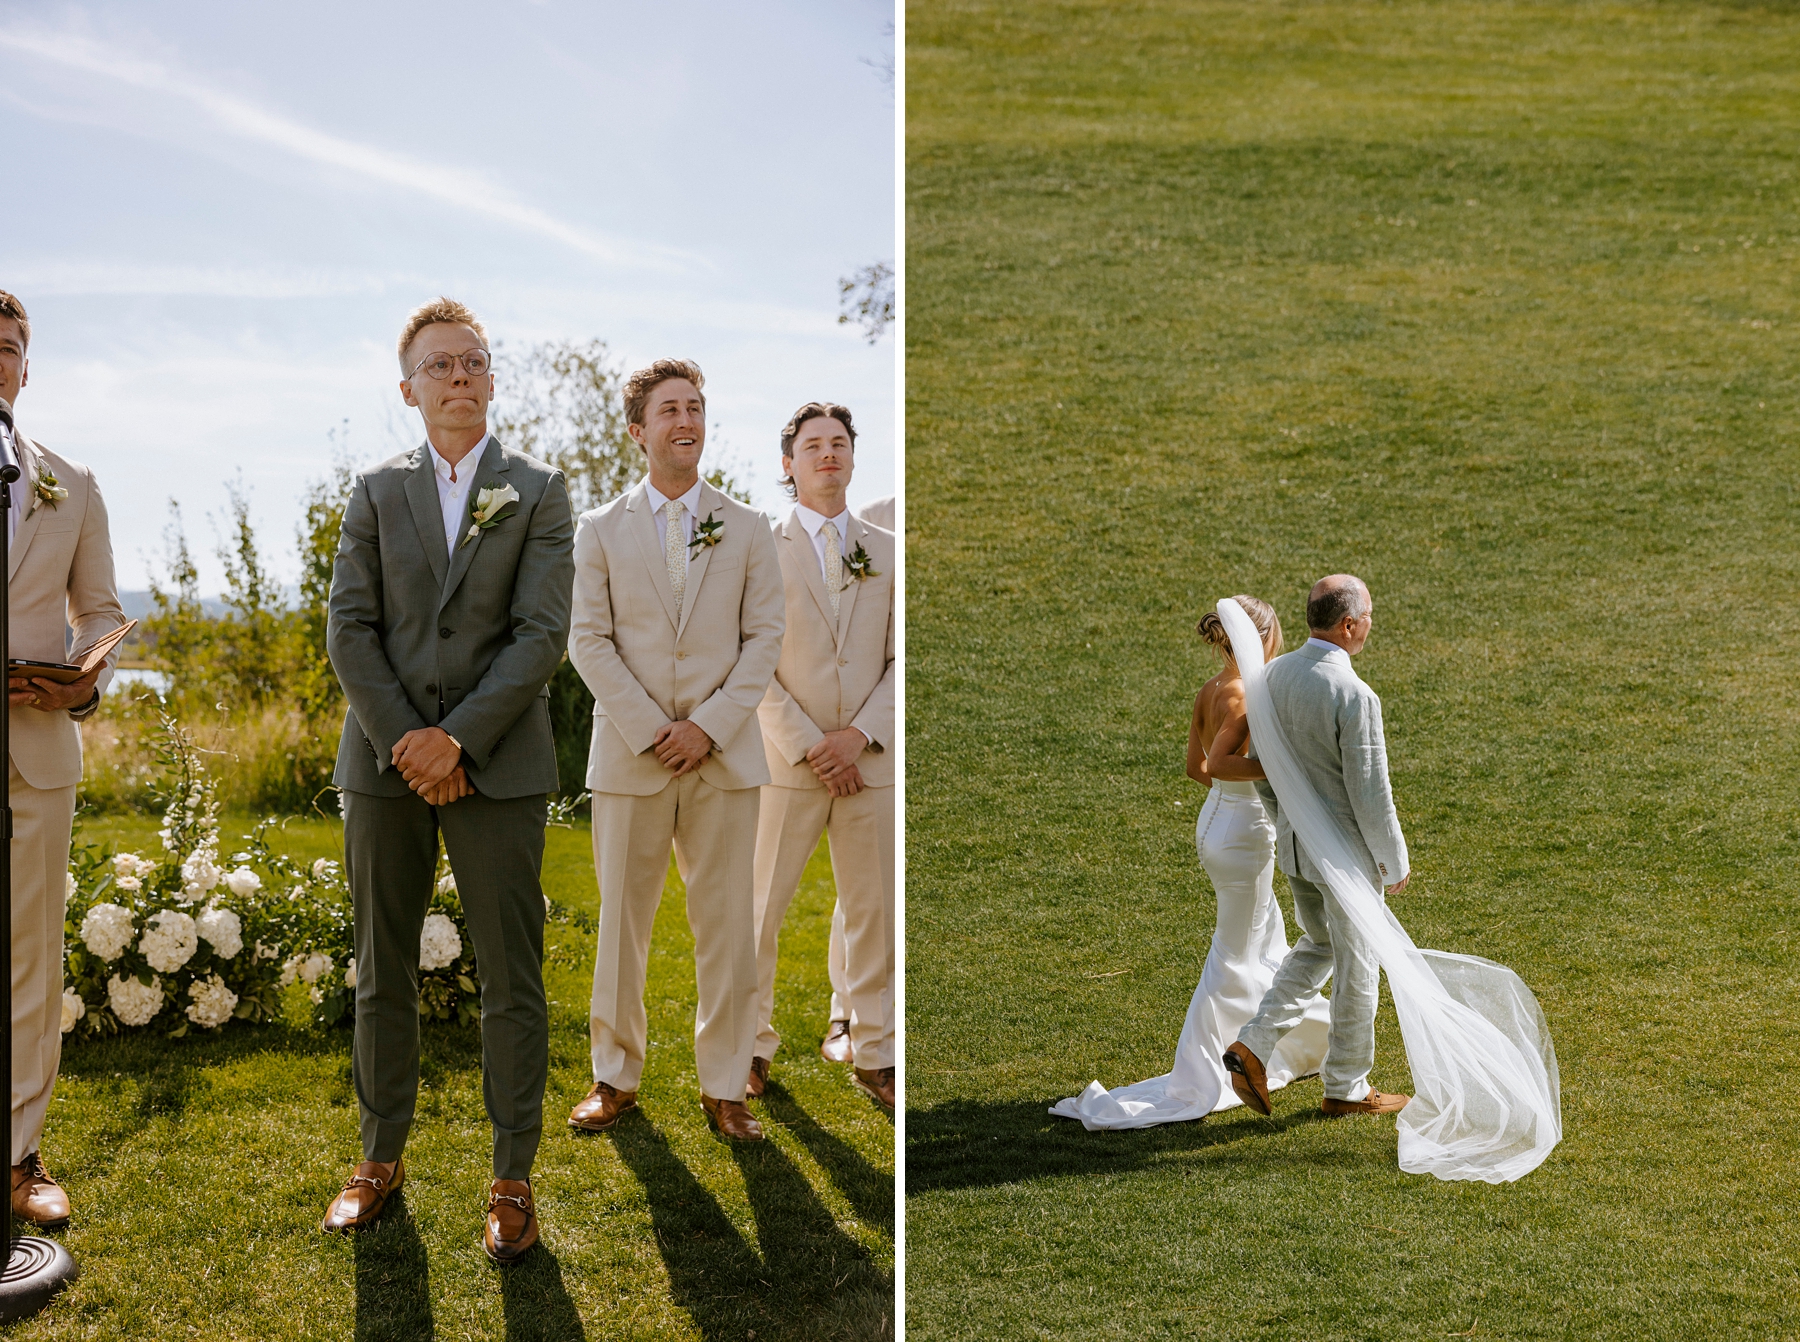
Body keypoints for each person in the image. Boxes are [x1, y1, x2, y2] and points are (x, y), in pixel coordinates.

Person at [321, 297, 574, 1263]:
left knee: (514, 976)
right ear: (408, 388)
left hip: (500, 765)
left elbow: (540, 634)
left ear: (491, 378)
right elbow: (350, 627)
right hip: (385, 767)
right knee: (382, 966)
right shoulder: (374, 490)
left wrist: (457, 741)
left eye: (472, 361)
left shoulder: (540, 491)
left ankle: (513, 1177)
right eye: (439, 365)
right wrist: (408, 744)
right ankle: (377, 1159)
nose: (458, 376)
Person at [567, 359, 784, 1142]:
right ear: (638, 430)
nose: (685, 420)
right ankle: (614, 1078)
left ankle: (726, 1086)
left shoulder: (750, 525)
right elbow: (587, 640)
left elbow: (765, 639)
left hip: (725, 758)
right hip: (631, 758)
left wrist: (708, 727)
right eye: (668, 410)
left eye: (695, 407)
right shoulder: (597, 528)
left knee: (727, 926)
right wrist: (652, 728)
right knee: (623, 925)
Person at [1051, 596, 1326, 1129]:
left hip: (1217, 824)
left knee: (1264, 933)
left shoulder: (1212, 687)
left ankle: (1294, 1040)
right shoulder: (1246, 694)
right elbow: (1221, 761)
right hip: (1244, 839)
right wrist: (1277, 772)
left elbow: (1195, 768)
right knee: (1234, 949)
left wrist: (1232, 798)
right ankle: (1204, 1073)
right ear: (1264, 637)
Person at [0, 289, 127, 1227]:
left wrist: (82, 681)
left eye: (9, 348)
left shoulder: (71, 482)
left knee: (30, 961)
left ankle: (18, 1154)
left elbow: (102, 612)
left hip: (37, 752)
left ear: (27, 368)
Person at [1223, 575, 1411, 1119]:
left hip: (1297, 852)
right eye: (1370, 616)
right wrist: (1393, 861)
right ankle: (1347, 1087)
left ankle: (1252, 1047)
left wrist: (1286, 824)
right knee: (1360, 963)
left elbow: (1263, 767)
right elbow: (1371, 793)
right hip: (1346, 861)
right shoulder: (1354, 694)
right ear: (1349, 625)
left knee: (1319, 945)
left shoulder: (1274, 677)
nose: (1372, 625)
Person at [750, 405, 895, 1108]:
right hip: (784, 763)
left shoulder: (889, 547)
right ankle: (749, 1047)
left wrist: (858, 736)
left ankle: (876, 1049)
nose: (827, 455)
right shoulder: (755, 546)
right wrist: (813, 744)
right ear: (789, 463)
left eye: (839, 443)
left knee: (874, 912)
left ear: (852, 457)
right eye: (813, 446)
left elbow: (904, 657)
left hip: (870, 761)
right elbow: (748, 662)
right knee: (760, 910)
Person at [820, 489, 895, 1065]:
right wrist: (842, 742)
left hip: (886, 732)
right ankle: (844, 1013)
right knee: (858, 893)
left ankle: (883, 1031)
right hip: (842, 747)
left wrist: (864, 734)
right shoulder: (872, 520)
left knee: (882, 891)